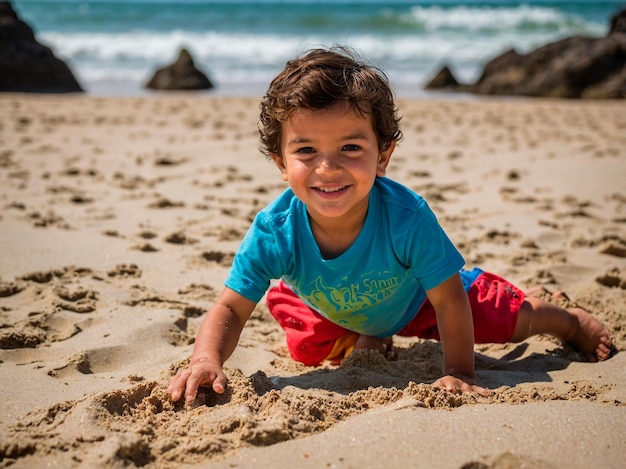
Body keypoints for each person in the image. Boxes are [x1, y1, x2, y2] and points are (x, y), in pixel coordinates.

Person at [168, 46, 612, 405]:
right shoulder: (275, 230)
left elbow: (449, 300)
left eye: (349, 147)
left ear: (383, 156)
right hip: (335, 302)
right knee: (305, 348)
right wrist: (206, 358)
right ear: (281, 162)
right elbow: (229, 308)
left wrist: (458, 371)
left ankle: (568, 320)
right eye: (305, 151)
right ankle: (372, 332)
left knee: (510, 320)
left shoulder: (407, 216)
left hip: (421, 298)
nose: (327, 167)